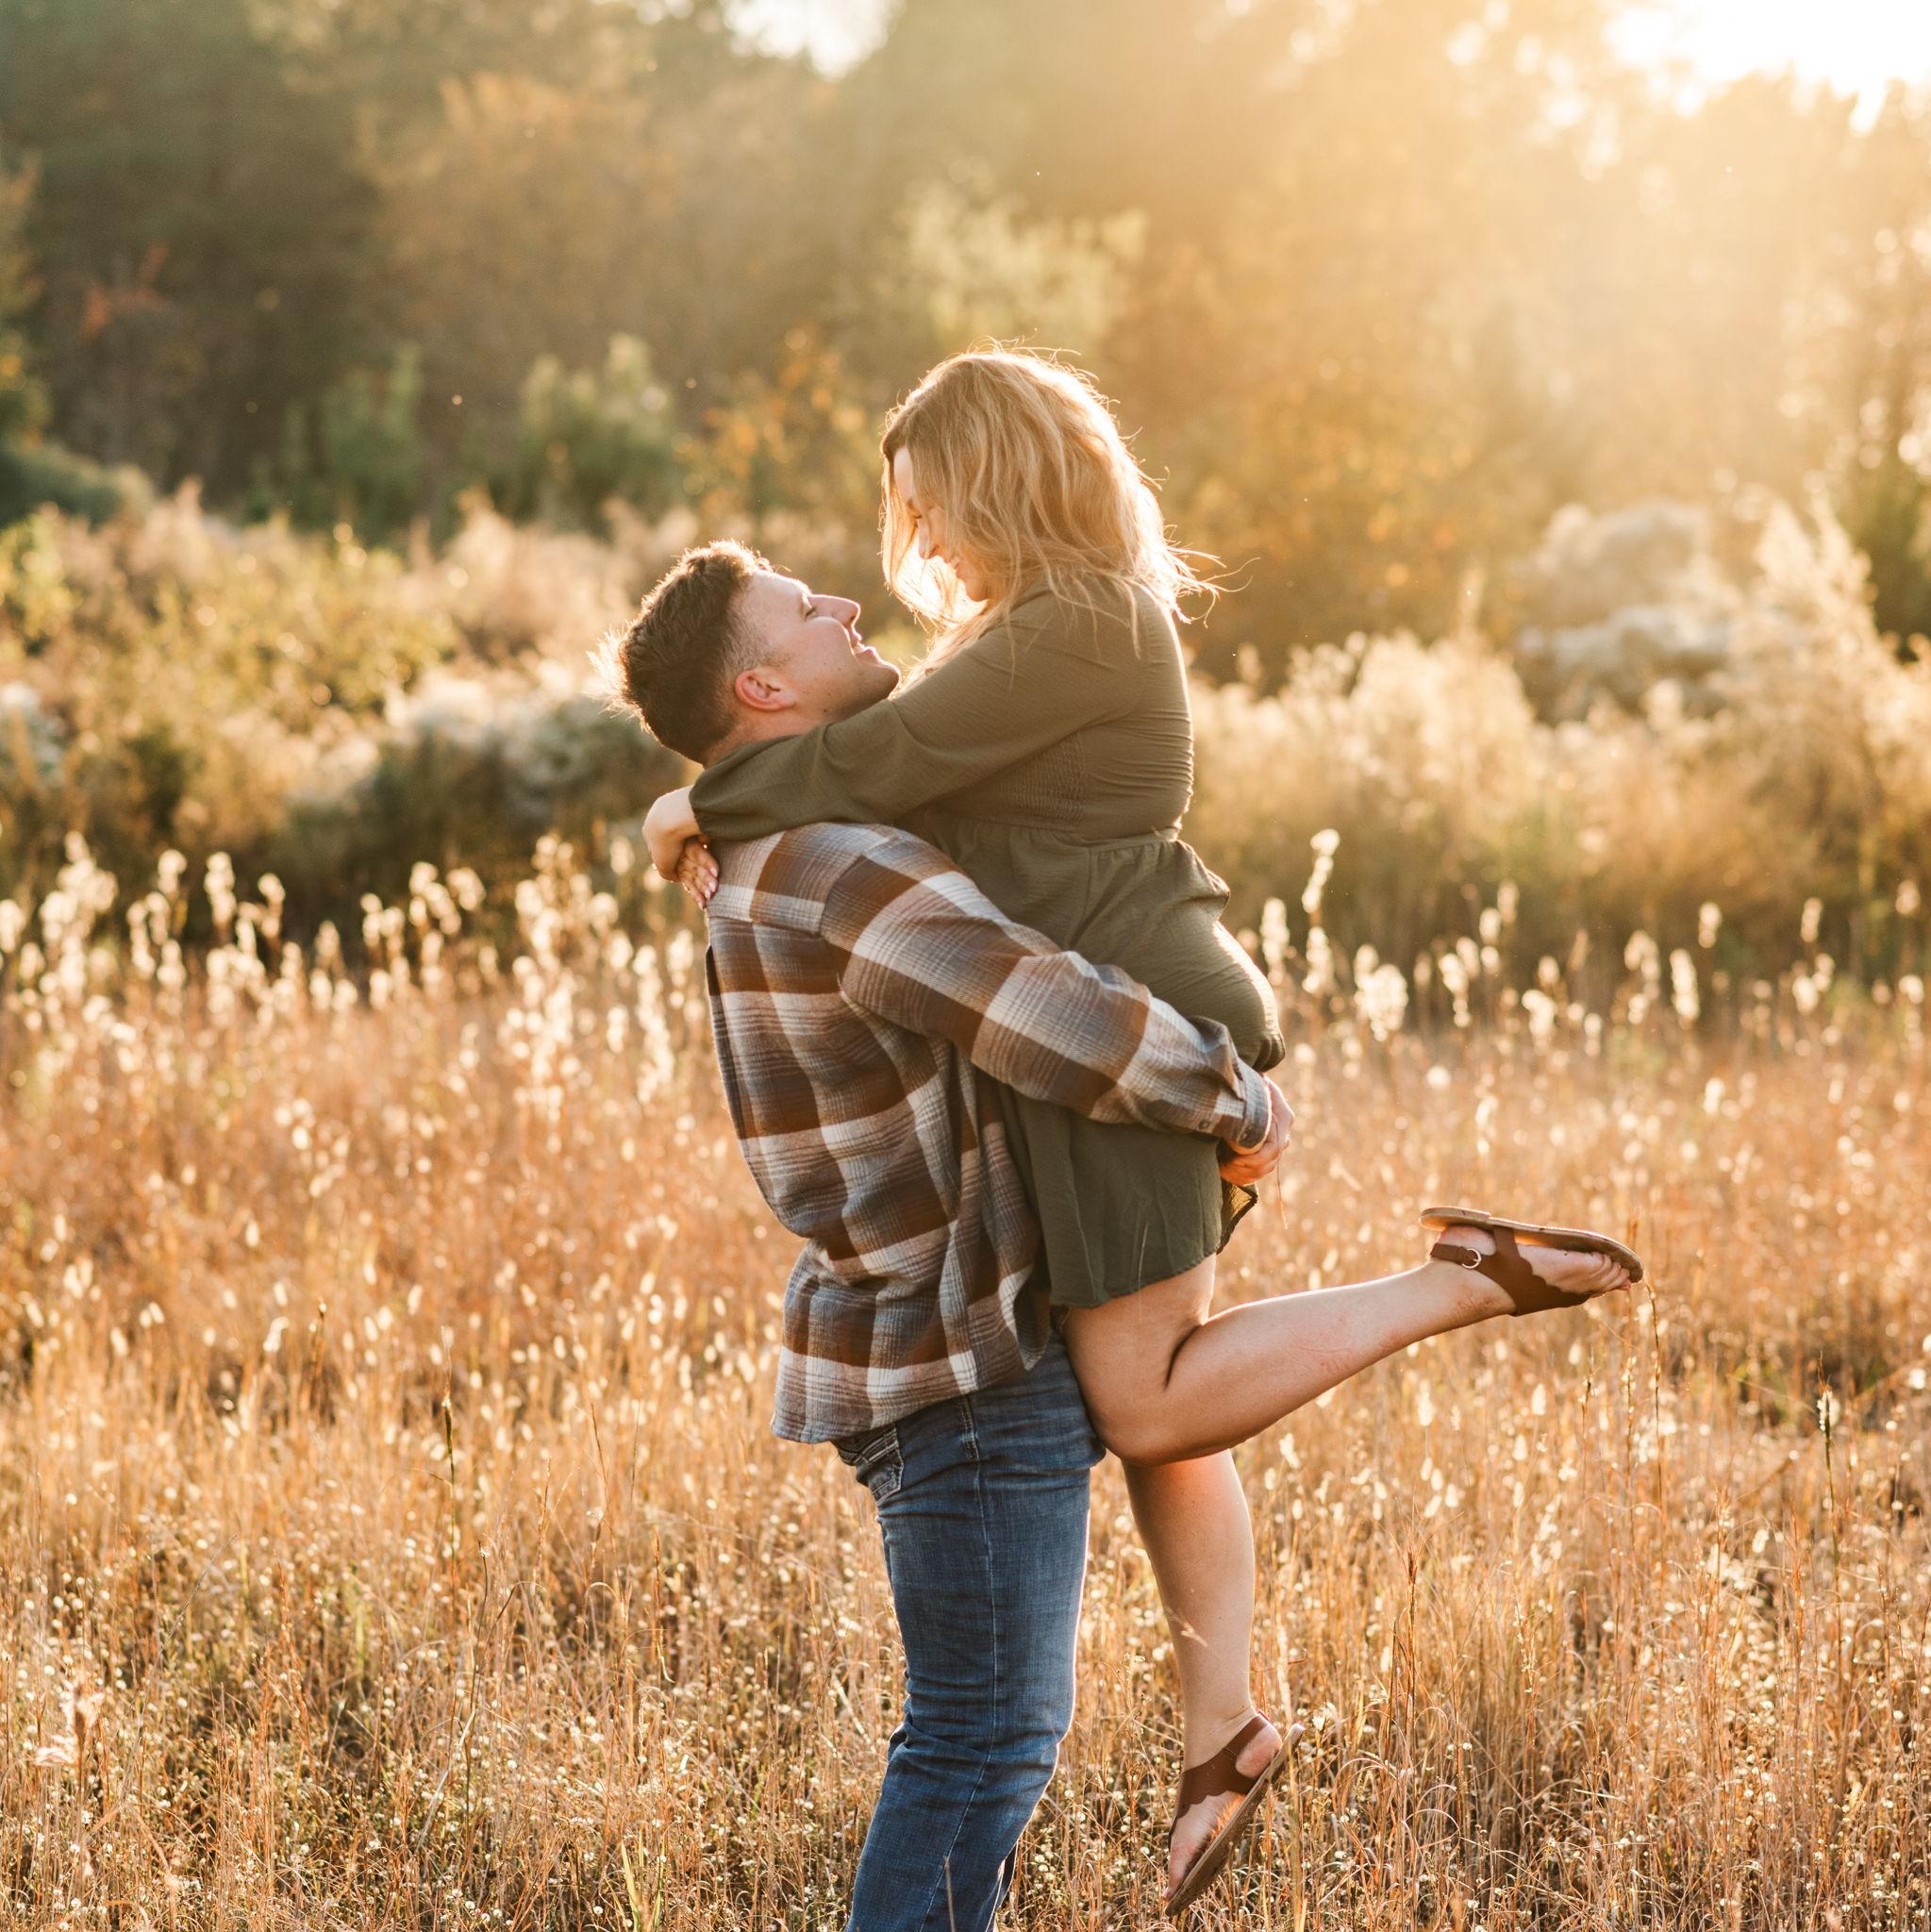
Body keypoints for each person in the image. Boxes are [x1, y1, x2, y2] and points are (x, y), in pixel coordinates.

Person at [638, 352, 1640, 1912]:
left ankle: (1462, 1278)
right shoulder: (1028, 632)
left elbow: (868, 769)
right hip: (1107, 1034)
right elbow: (882, 790)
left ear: (991, 482)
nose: (903, 561)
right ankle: (1225, 1721)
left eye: (924, 510)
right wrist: (718, 798)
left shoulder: (1079, 622)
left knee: (1152, 1397)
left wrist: (704, 800)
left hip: (1126, 1030)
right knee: (1156, 1383)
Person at [598, 539, 1290, 1932]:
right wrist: (1236, 1092)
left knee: (984, 1744)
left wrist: (686, 811)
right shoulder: (836, 864)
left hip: (929, 1342)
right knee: (981, 1744)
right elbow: (1050, 1014)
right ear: (762, 682)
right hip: (960, 1363)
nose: (843, 602)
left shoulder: (777, 844)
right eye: (804, 608)